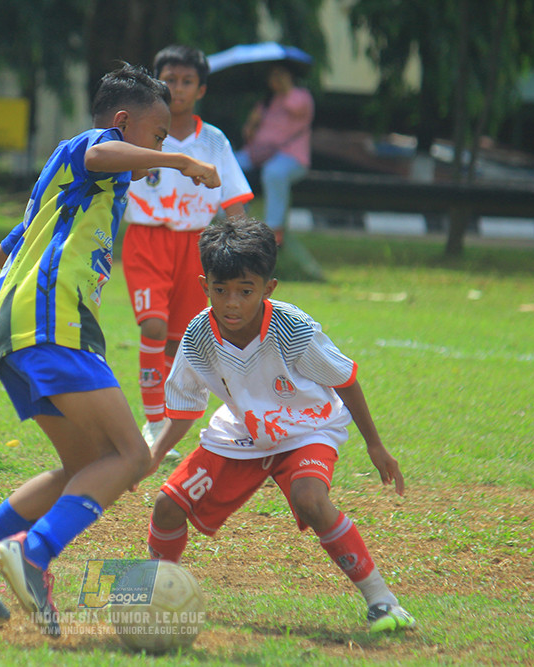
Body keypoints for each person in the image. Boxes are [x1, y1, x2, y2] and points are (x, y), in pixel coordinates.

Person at [0, 63, 221, 637]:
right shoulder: (91, 150)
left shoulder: (60, 190)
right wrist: (178, 160)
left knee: (88, 467)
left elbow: (0, 252)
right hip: (51, 322)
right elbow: (101, 156)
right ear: (119, 122)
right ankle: (33, 553)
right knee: (133, 456)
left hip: (13, 326)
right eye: (157, 134)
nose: (162, 144)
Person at [142, 216, 416, 633]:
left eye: (245, 291)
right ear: (204, 286)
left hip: (308, 428)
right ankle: (149, 598)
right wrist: (155, 454)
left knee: (310, 498)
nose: (231, 302)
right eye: (220, 290)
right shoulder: (198, 335)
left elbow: (345, 380)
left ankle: (383, 602)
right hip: (241, 433)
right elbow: (184, 407)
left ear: (268, 289)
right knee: (166, 507)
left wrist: (374, 445)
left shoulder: (292, 328)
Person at [122, 45, 254, 456]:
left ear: (201, 89)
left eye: (186, 82)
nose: (177, 89)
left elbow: (234, 204)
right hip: (147, 240)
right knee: (154, 328)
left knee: (180, 342)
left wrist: (247, 253)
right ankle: (154, 421)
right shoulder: (138, 133)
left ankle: (173, 420)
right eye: (170, 81)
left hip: (195, 246)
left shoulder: (213, 141)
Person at [234, 61, 323, 280]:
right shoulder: (267, 102)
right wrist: (252, 125)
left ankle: (275, 230)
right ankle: (230, 210)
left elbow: (296, 108)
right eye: (273, 76)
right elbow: (250, 133)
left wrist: (285, 87)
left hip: (291, 156)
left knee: (274, 174)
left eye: (280, 75)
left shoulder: (300, 96)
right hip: (259, 154)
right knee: (231, 164)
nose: (275, 80)